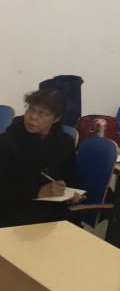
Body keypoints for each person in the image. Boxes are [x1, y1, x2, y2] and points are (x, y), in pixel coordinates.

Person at [0, 89, 84, 227]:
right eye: (31, 109)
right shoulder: (7, 141)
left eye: (43, 113)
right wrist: (38, 191)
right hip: (15, 208)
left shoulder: (65, 143)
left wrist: (73, 193)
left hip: (53, 210)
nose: (33, 117)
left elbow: (71, 177)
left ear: (56, 118)